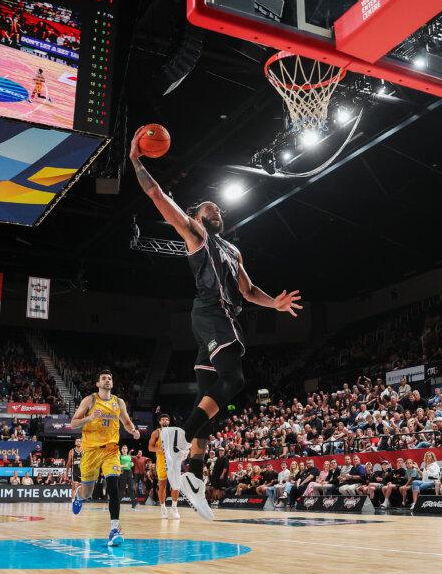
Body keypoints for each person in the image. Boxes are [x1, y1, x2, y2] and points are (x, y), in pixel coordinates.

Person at [131, 127, 302, 521]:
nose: (218, 211)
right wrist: (137, 161)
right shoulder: (195, 234)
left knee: (211, 401)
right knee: (236, 380)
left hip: (221, 318)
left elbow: (248, 289)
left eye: (219, 209)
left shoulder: (234, 250)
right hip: (212, 314)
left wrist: (273, 303)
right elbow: (157, 195)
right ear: (197, 216)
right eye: (211, 208)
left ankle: (193, 479)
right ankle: (179, 437)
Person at [68, 370, 140, 547]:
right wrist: (90, 417)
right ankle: (78, 495)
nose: (107, 380)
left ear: (112, 383)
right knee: (88, 493)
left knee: (113, 485)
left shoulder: (118, 402)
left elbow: (127, 422)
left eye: (110, 378)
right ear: (98, 384)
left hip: (111, 450)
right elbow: (73, 423)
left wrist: (133, 430)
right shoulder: (90, 400)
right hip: (91, 451)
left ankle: (114, 529)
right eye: (103, 379)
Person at [148, 414, 180, 519]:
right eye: (163, 420)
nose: (165, 421)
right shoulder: (156, 432)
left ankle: (174, 508)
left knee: (176, 486)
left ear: (169, 422)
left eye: (167, 419)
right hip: (162, 462)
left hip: (173, 462)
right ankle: (163, 507)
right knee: (162, 485)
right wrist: (160, 450)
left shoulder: (175, 432)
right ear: (159, 422)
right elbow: (150, 447)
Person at [118, 445, 137, 510]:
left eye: (125, 448)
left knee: (131, 488)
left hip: (129, 473)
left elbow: (131, 463)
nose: (124, 449)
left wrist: (132, 464)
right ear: (121, 450)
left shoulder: (129, 457)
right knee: (122, 489)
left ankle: (134, 504)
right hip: (122, 473)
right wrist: (123, 465)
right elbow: (116, 466)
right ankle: (117, 504)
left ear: (127, 449)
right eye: (123, 448)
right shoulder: (119, 457)